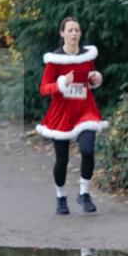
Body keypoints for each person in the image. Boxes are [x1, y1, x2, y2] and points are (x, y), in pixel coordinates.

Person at [36, 17, 108, 215]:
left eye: (77, 30)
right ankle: (61, 197)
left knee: (87, 149)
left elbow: (90, 77)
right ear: (62, 34)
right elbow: (44, 88)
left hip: (85, 110)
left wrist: (95, 78)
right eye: (70, 30)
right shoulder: (55, 60)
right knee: (62, 159)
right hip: (62, 114)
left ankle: (84, 193)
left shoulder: (87, 56)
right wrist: (61, 83)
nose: (74, 34)